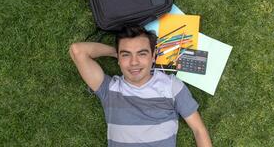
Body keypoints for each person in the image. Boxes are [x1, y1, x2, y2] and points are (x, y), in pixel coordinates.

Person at [69, 25, 212, 147]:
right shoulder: (109, 88)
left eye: (141, 54)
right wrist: (116, 52)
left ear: (153, 56)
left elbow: (199, 130)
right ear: (118, 59)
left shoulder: (171, 86)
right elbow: (77, 50)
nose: (134, 62)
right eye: (126, 55)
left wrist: (122, 54)